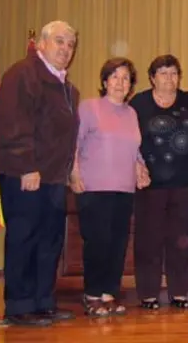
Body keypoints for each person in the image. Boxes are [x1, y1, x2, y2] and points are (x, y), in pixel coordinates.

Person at [0, 20, 80, 326]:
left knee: (50, 241)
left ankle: (44, 302)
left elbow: (65, 136)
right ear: (41, 44)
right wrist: (26, 165)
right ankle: (19, 306)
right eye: (60, 42)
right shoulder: (23, 74)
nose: (66, 49)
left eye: (70, 44)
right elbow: (13, 125)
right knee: (24, 238)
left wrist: (69, 171)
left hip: (54, 178)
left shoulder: (68, 88)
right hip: (27, 174)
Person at [70, 57, 150, 316]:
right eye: (115, 76)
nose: (120, 82)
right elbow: (75, 144)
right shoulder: (89, 107)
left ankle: (109, 293)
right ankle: (92, 294)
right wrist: (73, 173)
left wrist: (141, 167)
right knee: (98, 242)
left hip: (124, 189)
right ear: (105, 81)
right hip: (94, 188)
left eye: (125, 78)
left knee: (117, 243)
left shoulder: (131, 113)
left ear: (131, 85)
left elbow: (134, 149)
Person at [130, 54, 188, 309]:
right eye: (163, 73)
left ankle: (179, 292)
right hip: (150, 183)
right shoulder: (139, 103)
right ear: (152, 78)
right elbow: (129, 139)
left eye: (174, 73)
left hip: (183, 183)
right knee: (149, 239)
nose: (169, 79)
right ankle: (148, 293)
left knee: (181, 239)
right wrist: (136, 164)